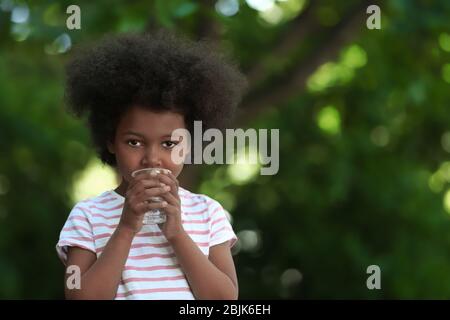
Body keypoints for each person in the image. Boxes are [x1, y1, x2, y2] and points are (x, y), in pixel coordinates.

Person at [56, 31, 247, 300]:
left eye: (169, 144)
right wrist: (126, 227)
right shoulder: (88, 216)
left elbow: (225, 299)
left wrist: (177, 233)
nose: (152, 158)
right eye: (134, 142)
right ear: (110, 140)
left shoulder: (208, 213)